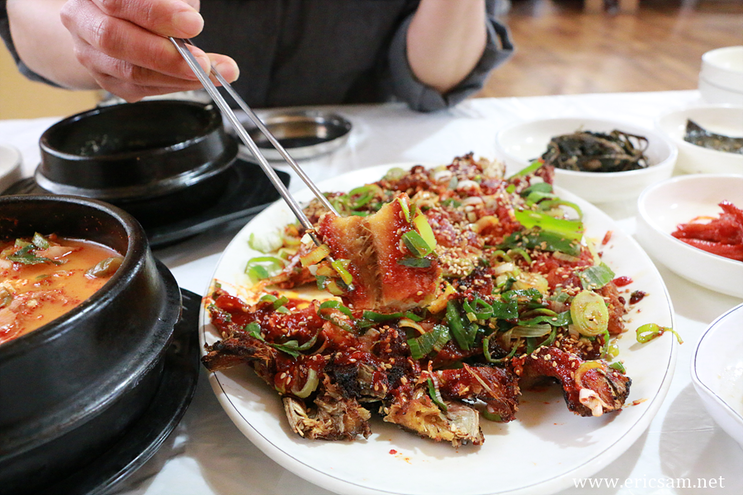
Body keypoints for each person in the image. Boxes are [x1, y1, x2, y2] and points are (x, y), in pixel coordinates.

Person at [0, 0, 514, 112]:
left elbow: (435, 76)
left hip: (367, 153)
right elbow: (34, 14)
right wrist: (96, 36)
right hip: (158, 141)